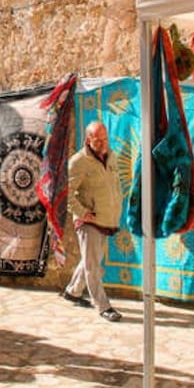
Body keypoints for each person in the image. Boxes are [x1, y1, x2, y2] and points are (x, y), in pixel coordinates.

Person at [62, 121, 124, 322]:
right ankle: (103, 306)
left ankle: (73, 291)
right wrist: (82, 212)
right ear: (89, 140)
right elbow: (67, 193)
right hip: (90, 221)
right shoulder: (78, 162)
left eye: (105, 139)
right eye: (99, 140)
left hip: (106, 219)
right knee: (94, 266)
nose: (103, 143)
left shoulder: (111, 156)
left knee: (91, 260)